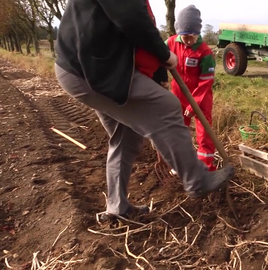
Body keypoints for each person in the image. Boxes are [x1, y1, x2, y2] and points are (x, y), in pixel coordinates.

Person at [53, 0, 235, 222]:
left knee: (125, 135)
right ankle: (197, 180)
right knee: (168, 107)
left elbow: (136, 30)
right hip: (91, 71)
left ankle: (117, 207)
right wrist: (165, 54)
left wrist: (159, 77)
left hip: (94, 70)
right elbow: (131, 18)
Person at [162, 5, 217, 171]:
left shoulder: (205, 52)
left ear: (197, 33)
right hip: (178, 93)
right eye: (184, 36)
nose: (187, 40)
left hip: (200, 95)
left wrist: (195, 103)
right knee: (179, 129)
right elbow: (157, 57)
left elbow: (206, 80)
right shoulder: (171, 43)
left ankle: (205, 167)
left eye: (191, 37)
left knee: (204, 132)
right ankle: (182, 164)